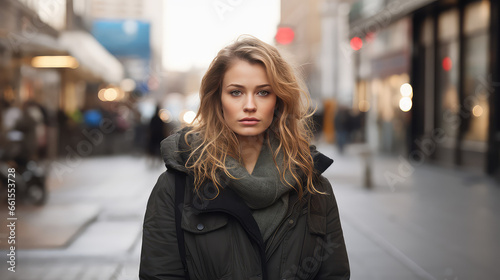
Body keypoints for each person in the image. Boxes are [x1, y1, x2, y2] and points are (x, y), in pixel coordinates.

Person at [139, 35, 350, 279]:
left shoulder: (314, 187)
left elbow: (334, 274)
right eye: (236, 92)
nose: (250, 105)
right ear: (218, 99)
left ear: (278, 100)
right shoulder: (176, 187)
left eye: (263, 93)